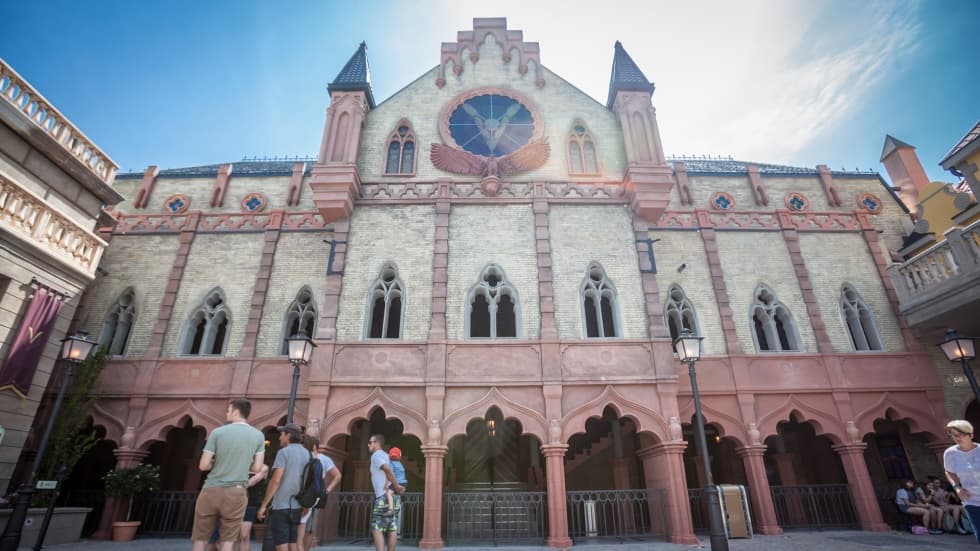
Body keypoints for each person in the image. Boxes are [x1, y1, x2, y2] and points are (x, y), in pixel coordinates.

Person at [192, 399, 265, 551]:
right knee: (228, 541)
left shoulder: (218, 432)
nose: (227, 413)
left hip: (211, 489)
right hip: (236, 492)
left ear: (236, 412)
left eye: (228, 410)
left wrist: (218, 462)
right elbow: (258, 468)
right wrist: (242, 463)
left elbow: (203, 465)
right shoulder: (258, 435)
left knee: (200, 539)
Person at [258, 423, 308, 551]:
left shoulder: (283, 452)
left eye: (282, 434)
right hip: (297, 505)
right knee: (292, 542)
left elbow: (276, 480)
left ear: (289, 435)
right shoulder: (307, 454)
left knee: (281, 544)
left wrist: (264, 505)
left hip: (281, 505)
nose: (280, 437)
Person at [299, 435, 341, 551]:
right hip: (306, 495)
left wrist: (326, 491)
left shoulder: (323, 459)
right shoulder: (303, 457)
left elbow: (337, 475)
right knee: (304, 528)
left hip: (312, 496)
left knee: (309, 528)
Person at [945, 419, 980, 543]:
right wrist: (957, 488)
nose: (956, 438)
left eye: (959, 435)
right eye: (953, 435)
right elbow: (949, 471)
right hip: (971, 500)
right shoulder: (950, 453)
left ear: (970, 435)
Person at [368, 434, 404, 551]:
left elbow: (387, 469)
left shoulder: (376, 455)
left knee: (376, 528)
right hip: (394, 496)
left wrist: (396, 485)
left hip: (384, 495)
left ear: (376, 443)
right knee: (391, 527)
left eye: (370, 442)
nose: (368, 445)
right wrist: (398, 487)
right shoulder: (388, 456)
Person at [383, 447, 407, 517]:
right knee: (397, 493)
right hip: (404, 482)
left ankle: (391, 509)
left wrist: (386, 484)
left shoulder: (391, 463)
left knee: (388, 492)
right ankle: (397, 506)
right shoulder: (399, 464)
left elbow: (390, 474)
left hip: (398, 482)